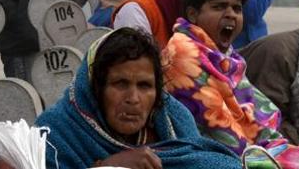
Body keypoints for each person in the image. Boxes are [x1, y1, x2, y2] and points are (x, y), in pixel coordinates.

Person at [162, 0, 299, 168]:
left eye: (237, 8)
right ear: (193, 14)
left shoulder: (223, 56)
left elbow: (258, 114)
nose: (231, 14)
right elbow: (223, 133)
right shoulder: (183, 53)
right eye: (219, 6)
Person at [35, 27, 242, 169]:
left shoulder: (175, 120)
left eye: (144, 86)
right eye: (120, 83)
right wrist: (109, 167)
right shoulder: (55, 134)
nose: (133, 98)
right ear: (95, 88)